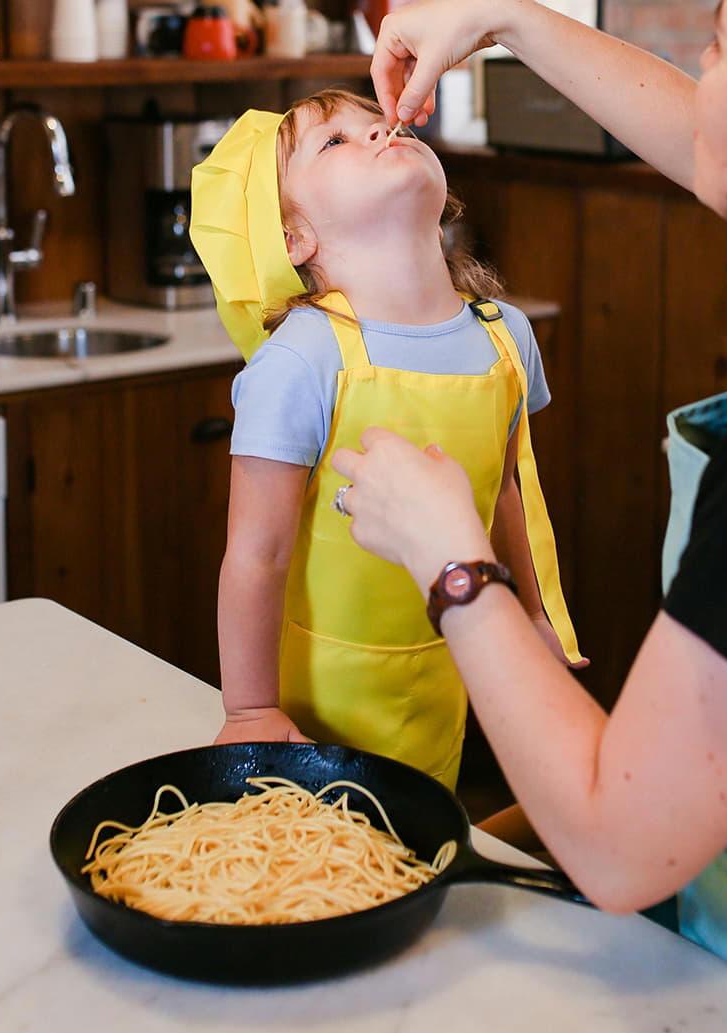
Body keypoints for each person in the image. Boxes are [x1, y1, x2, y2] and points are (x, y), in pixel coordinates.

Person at [333, 0, 727, 1027]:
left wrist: (454, 562)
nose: (693, 87)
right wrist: (507, 19)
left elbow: (620, 846)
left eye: (714, 53)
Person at [189, 89, 584, 790]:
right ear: (292, 240)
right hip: (316, 706)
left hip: (449, 668)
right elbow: (257, 553)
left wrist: (530, 614)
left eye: (379, 122)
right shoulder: (300, 361)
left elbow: (505, 494)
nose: (379, 132)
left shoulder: (506, 335)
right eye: (336, 142)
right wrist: (250, 710)